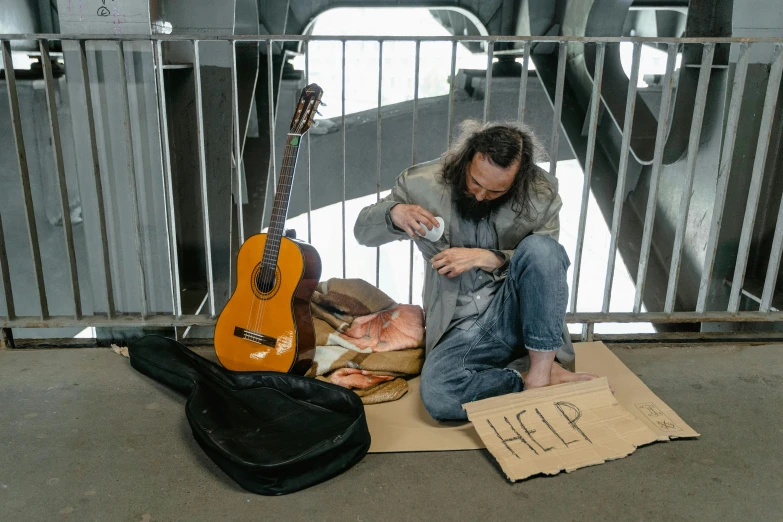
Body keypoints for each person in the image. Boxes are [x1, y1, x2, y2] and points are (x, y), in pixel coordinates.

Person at [353, 120, 599, 422]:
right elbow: (362, 233)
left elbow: (545, 266)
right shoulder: (420, 183)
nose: (482, 195)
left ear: (518, 180)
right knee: (440, 396)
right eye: (475, 183)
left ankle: (539, 371)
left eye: (496, 191)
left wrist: (490, 258)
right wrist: (393, 213)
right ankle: (529, 378)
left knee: (543, 249)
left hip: (518, 313)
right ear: (465, 159)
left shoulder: (540, 193)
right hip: (461, 323)